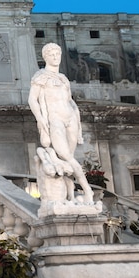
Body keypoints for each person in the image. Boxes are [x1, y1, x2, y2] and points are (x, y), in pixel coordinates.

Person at [28, 43, 94, 203]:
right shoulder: (40, 76)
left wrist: (78, 127)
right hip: (55, 119)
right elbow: (32, 99)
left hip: (70, 119)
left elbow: (71, 101)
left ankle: (70, 196)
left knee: (67, 159)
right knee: (66, 156)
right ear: (45, 57)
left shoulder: (63, 78)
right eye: (51, 54)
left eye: (57, 54)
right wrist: (40, 118)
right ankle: (88, 190)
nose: (55, 57)